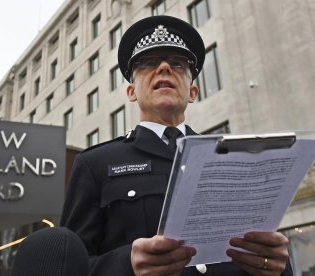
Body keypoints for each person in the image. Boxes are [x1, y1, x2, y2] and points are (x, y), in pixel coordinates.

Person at [60, 15, 293, 276]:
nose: (163, 68)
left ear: (193, 92)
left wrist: (279, 267)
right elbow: (68, 265)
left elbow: (262, 249)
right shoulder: (96, 164)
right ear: (131, 92)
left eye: (178, 64)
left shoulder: (235, 157)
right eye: (147, 63)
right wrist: (126, 264)